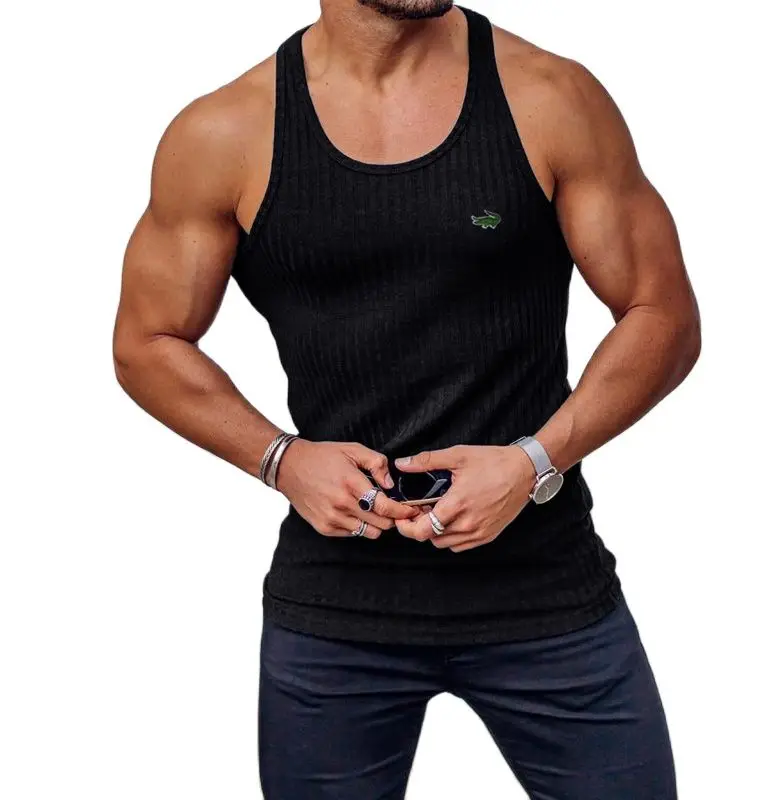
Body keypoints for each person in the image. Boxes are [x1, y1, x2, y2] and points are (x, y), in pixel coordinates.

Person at [113, 1, 700, 797]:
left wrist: (534, 462)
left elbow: (663, 315)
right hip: (337, 612)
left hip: (547, 593)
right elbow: (147, 341)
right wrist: (282, 460)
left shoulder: (550, 98)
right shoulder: (227, 132)